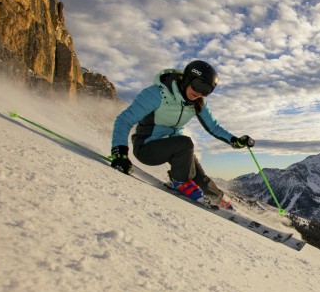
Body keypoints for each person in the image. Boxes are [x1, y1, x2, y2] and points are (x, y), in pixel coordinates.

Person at [109, 60, 254, 208]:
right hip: (146, 148)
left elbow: (214, 127)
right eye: (198, 85)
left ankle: (217, 199)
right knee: (185, 143)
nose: (199, 93)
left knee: (198, 174)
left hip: (174, 148)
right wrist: (119, 153)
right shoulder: (157, 93)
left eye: (206, 91)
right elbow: (124, 120)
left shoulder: (197, 103)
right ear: (187, 79)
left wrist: (235, 141)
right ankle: (180, 182)